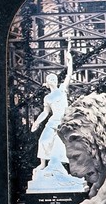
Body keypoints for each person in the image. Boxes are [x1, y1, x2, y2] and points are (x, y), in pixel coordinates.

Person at [31, 43, 74, 174]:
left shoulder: (62, 90)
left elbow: (69, 75)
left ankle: (59, 168)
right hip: (52, 121)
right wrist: (37, 122)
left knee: (59, 146)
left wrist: (69, 60)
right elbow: (45, 113)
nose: (53, 79)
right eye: (51, 78)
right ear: (48, 83)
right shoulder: (48, 98)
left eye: (54, 78)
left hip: (63, 122)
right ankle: (43, 164)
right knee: (43, 140)